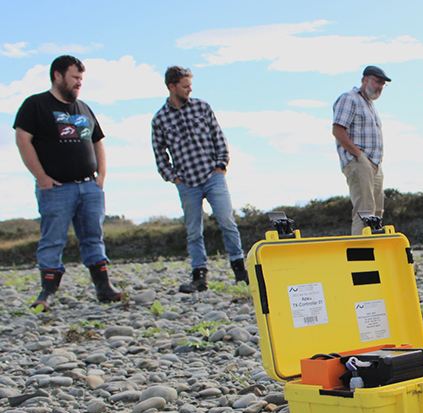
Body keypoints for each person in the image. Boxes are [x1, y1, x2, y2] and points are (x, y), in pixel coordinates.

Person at [14, 55, 124, 311]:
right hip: (56, 189)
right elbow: (22, 139)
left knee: (94, 237)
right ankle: (48, 292)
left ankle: (104, 288)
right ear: (57, 75)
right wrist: (40, 177)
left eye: (81, 79)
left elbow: (98, 141)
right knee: (52, 240)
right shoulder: (35, 104)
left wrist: (101, 178)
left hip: (90, 187)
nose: (78, 84)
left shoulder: (84, 108)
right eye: (75, 78)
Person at [151, 66, 248, 293]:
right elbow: (159, 154)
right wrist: (173, 178)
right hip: (186, 182)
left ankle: (240, 271)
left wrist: (221, 165)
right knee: (194, 231)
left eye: (190, 86)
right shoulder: (160, 119)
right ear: (172, 86)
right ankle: (199, 276)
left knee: (227, 222)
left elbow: (218, 137)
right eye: (185, 86)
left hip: (213, 176)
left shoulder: (202, 107)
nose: (189, 90)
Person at [332, 66, 391, 235]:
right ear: (365, 80)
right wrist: (359, 155)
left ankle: (375, 250)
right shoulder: (349, 98)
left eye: (383, 84)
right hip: (358, 160)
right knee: (364, 209)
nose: (380, 87)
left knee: (377, 210)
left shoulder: (370, 105)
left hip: (375, 163)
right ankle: (361, 253)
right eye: (377, 82)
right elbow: (338, 130)